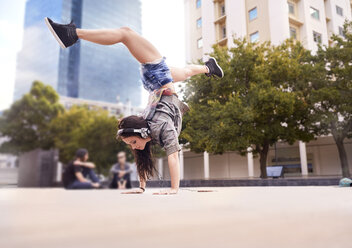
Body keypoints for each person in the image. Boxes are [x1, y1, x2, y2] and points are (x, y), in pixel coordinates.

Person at [45, 17, 224, 195]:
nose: (133, 147)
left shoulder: (149, 129)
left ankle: (72, 34)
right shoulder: (162, 129)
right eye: (131, 143)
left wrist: (162, 188)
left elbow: (154, 156)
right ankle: (209, 68)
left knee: (126, 34)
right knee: (182, 71)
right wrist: (154, 188)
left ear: (141, 132)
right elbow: (173, 157)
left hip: (156, 79)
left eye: (132, 142)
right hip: (157, 80)